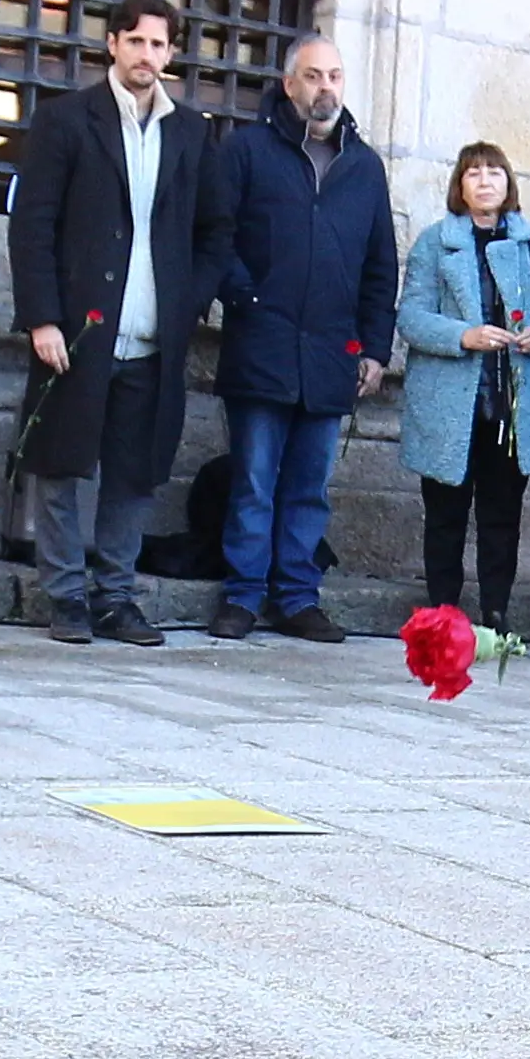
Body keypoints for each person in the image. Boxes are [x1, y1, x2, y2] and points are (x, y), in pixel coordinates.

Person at [6, 0, 222, 648]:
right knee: (64, 465)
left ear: (171, 53)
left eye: (159, 45)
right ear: (112, 45)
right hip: (77, 332)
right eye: (136, 42)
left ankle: (116, 596)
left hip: (154, 334)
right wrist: (42, 318)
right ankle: (66, 595)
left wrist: (190, 298)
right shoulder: (66, 121)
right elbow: (32, 225)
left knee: (134, 470)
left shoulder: (191, 131)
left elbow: (216, 228)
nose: (146, 56)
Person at [200, 36, 397, 643]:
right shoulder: (247, 150)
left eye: (334, 75)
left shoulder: (363, 166)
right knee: (255, 480)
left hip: (330, 352)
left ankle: (296, 596)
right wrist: (246, 297)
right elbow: (216, 234)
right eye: (313, 76)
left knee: (309, 488)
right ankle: (242, 595)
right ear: (289, 85)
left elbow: (379, 264)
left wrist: (375, 347)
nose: (325, 88)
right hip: (262, 341)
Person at [396, 142, 530, 632]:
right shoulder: (435, 242)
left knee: (501, 516)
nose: (485, 181)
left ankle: (496, 612)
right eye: (474, 173)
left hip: (510, 405)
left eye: (495, 172)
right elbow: (411, 318)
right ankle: (442, 612)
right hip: (453, 404)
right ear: (460, 185)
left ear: (509, 183)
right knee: (445, 514)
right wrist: (462, 336)